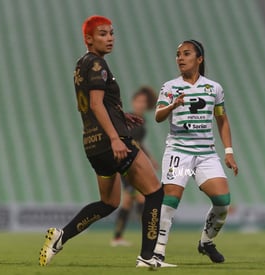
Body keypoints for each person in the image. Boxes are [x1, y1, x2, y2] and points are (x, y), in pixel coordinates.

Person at [38, 15, 175, 268]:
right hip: (112, 141)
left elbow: (94, 104)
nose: (109, 38)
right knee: (155, 192)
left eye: (111, 33)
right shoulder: (98, 65)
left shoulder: (81, 64)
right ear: (88, 39)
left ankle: (61, 236)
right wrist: (115, 137)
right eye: (102, 34)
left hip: (92, 145)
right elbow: (96, 103)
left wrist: (122, 115)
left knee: (109, 203)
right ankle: (147, 257)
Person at [153, 40, 238, 263]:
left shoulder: (214, 88)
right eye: (178, 54)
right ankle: (158, 251)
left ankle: (206, 242)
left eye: (186, 54)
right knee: (171, 198)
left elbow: (222, 119)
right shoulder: (170, 86)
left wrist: (228, 151)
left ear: (199, 59)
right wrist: (172, 106)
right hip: (178, 152)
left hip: (206, 154)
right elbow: (158, 116)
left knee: (222, 201)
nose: (180, 58)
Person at [111, 86, 158, 247]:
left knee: (128, 201)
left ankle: (117, 238)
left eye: (143, 101)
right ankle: (150, 235)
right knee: (140, 198)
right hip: (125, 163)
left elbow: (138, 145)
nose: (140, 104)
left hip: (132, 163)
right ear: (133, 102)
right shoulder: (128, 119)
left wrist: (150, 158)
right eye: (138, 101)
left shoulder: (142, 124)